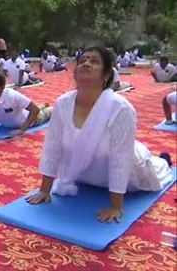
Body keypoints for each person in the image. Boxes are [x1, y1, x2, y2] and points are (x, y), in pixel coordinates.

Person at [26, 46, 173, 223]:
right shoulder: (63, 103)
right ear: (75, 73)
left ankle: (164, 160)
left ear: (105, 76)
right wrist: (44, 190)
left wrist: (116, 206)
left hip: (131, 172)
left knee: (157, 167)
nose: (86, 63)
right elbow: (53, 145)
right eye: (83, 60)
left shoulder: (121, 108)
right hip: (83, 173)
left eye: (94, 61)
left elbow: (121, 158)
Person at [0, 71, 53, 137]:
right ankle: (43, 106)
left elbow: (35, 110)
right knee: (35, 107)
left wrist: (22, 129)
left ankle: (48, 108)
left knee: (46, 112)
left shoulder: (13, 96)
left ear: (2, 87)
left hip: (34, 119)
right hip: (11, 121)